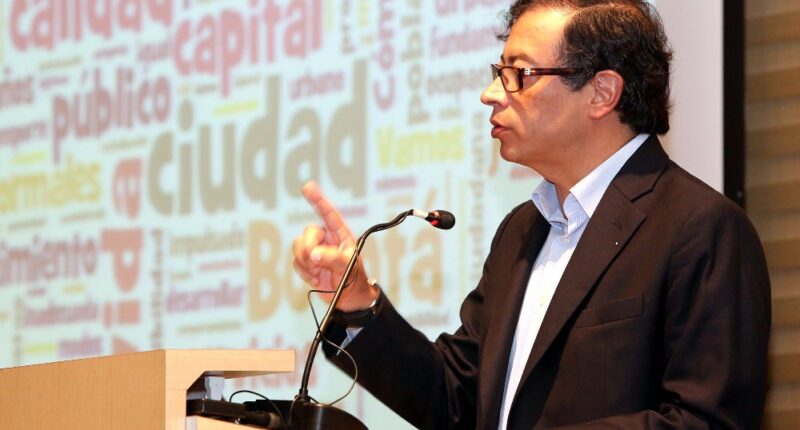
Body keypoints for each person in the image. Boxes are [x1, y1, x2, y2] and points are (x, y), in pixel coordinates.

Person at [292, 0, 771, 428]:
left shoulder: (699, 228)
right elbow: (456, 401)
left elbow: (704, 419)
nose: (491, 93)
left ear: (602, 92)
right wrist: (356, 301)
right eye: (499, 71)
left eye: (519, 73)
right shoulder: (523, 229)